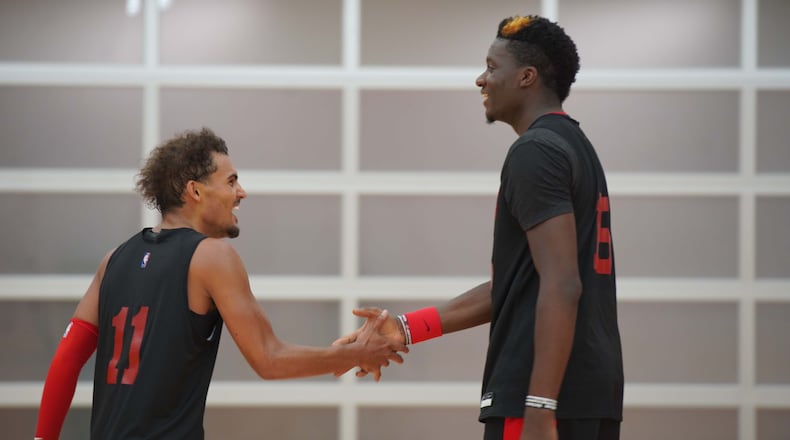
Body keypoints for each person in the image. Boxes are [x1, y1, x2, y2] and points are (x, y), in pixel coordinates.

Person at [338, 14, 623, 440]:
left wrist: (540, 407)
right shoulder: (574, 146)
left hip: (539, 398)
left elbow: (563, 284)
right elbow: (517, 285)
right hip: (589, 395)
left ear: (526, 77)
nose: (480, 79)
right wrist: (407, 327)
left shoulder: (536, 152)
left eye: (492, 67)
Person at [34, 127, 408, 440]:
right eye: (231, 182)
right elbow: (269, 359)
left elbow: (67, 358)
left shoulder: (114, 259)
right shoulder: (211, 256)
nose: (241, 192)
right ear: (195, 191)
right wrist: (355, 354)